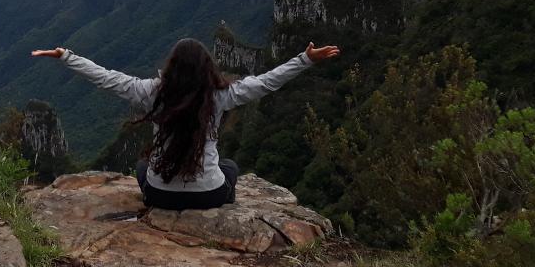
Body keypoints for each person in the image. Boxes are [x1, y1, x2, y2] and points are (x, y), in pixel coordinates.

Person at [31, 39, 340, 210]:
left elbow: (107, 78)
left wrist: (66, 56)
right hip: (208, 196)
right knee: (230, 167)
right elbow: (266, 83)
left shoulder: (152, 93)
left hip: (160, 197)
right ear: (207, 69)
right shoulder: (219, 96)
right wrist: (305, 60)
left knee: (142, 168)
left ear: (172, 66)